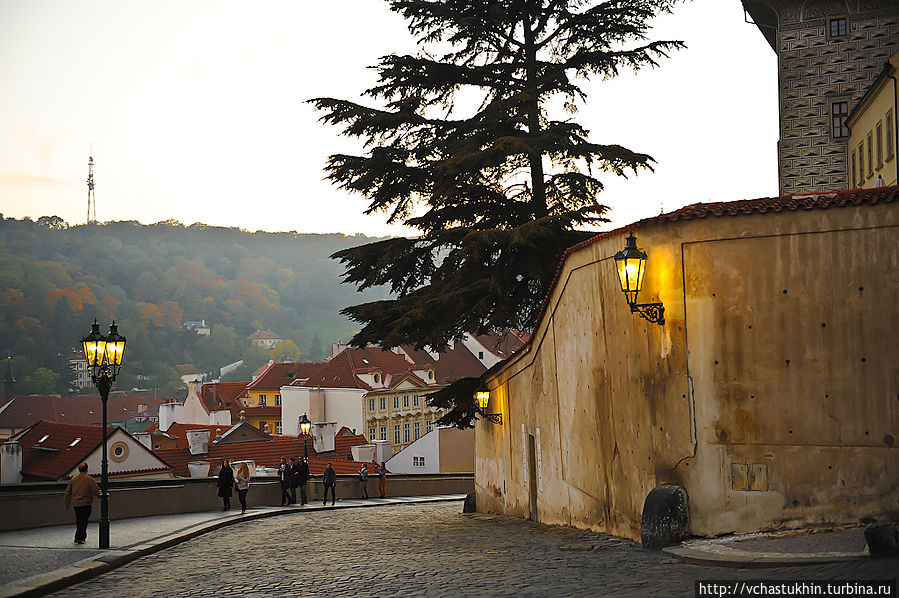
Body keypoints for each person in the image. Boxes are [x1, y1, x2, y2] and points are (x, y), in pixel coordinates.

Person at [63, 462, 101, 545]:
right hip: (86, 504)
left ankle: (78, 537)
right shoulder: (89, 479)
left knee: (79, 521)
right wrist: (100, 497)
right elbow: (96, 490)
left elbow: (68, 492)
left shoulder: (73, 479)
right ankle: (80, 538)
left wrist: (66, 503)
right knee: (84, 522)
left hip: (76, 504)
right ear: (87, 469)